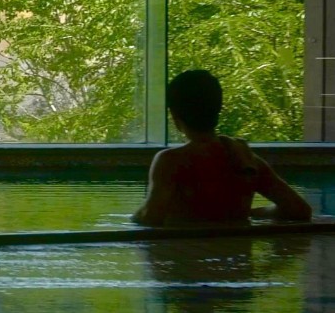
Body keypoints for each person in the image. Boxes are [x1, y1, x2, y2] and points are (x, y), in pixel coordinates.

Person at [133, 69, 312, 226]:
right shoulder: (246, 161)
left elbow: (150, 218)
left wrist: (135, 217)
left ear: (174, 115)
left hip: (185, 257)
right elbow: (299, 210)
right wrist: (250, 215)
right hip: (239, 259)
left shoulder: (170, 162)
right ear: (218, 109)